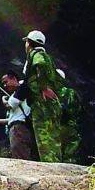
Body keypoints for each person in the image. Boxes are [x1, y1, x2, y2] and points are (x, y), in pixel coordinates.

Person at [22, 30, 63, 163]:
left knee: (43, 136)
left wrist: (43, 88)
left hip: (41, 103)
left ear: (29, 43)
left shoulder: (36, 54)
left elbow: (40, 65)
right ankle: (56, 162)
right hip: (50, 103)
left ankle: (49, 164)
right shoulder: (47, 56)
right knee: (53, 137)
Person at [0, 71, 35, 160]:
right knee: (20, 154)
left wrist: (3, 99)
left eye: (6, 82)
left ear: (14, 79)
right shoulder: (15, 95)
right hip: (17, 127)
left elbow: (8, 106)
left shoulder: (21, 89)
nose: (4, 86)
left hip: (18, 129)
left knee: (20, 157)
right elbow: (11, 119)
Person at [56, 68, 83, 164]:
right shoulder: (71, 92)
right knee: (70, 155)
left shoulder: (51, 93)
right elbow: (78, 109)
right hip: (70, 127)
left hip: (56, 127)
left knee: (56, 155)